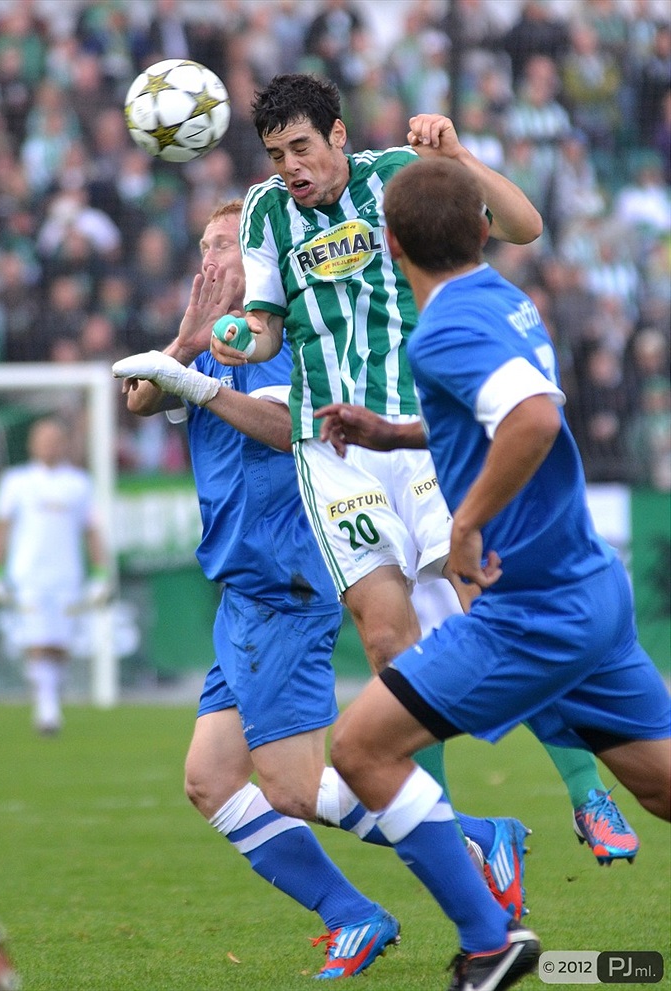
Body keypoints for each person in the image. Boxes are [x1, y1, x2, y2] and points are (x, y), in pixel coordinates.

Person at [209, 73, 639, 867]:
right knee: (387, 639)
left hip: (420, 434)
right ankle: (454, 835)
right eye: (276, 154)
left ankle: (588, 791)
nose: (290, 166)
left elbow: (525, 226)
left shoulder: (399, 178)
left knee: (496, 605)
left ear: (338, 136)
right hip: (331, 449)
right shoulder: (266, 213)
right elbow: (267, 327)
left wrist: (460, 157)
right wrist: (240, 335)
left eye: (301, 147)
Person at [112, 199, 536, 979]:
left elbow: (289, 429)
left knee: (293, 788)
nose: (208, 260)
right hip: (245, 592)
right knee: (210, 781)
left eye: (223, 245)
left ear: (260, 262)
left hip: (286, 577)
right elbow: (139, 396)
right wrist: (183, 348)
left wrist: (195, 379)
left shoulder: (278, 340)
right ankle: (353, 910)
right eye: (202, 246)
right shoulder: (214, 343)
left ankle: (475, 837)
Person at [316, 157, 671, 990]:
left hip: (532, 611)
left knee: (361, 748)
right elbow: (495, 410)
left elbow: (533, 417)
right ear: (482, 230)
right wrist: (396, 433)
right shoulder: (506, 297)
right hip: (590, 586)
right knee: (662, 788)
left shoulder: (442, 328)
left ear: (390, 243)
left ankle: (489, 940)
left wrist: (467, 521)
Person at [0, 417, 112, 734]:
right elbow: (1, 528)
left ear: (63, 444)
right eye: (43, 439)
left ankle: (50, 695)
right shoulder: (16, 481)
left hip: (67, 575)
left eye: (54, 439)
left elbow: (92, 531)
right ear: (31, 444)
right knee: (37, 640)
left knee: (59, 644)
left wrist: (100, 574)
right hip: (28, 575)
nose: (49, 445)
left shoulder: (79, 483)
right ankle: (47, 708)